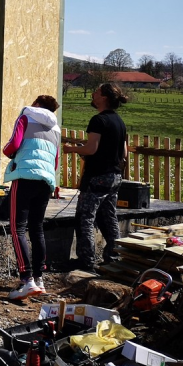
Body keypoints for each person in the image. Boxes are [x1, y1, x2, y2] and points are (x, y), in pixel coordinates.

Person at [63, 82, 129, 274]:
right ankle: (113, 257)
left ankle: (86, 261)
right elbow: (123, 153)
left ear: (104, 98)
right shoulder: (119, 121)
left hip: (97, 177)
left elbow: (91, 149)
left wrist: (72, 149)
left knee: (85, 218)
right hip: (115, 177)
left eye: (97, 92)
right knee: (109, 217)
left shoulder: (98, 120)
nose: (93, 94)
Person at [2, 95, 61, 301]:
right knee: (37, 228)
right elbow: (55, 161)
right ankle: (39, 278)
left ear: (36, 104)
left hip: (25, 176)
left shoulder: (26, 116)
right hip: (46, 180)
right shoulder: (56, 128)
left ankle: (26, 280)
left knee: (17, 227)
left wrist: (8, 152)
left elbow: (12, 145)